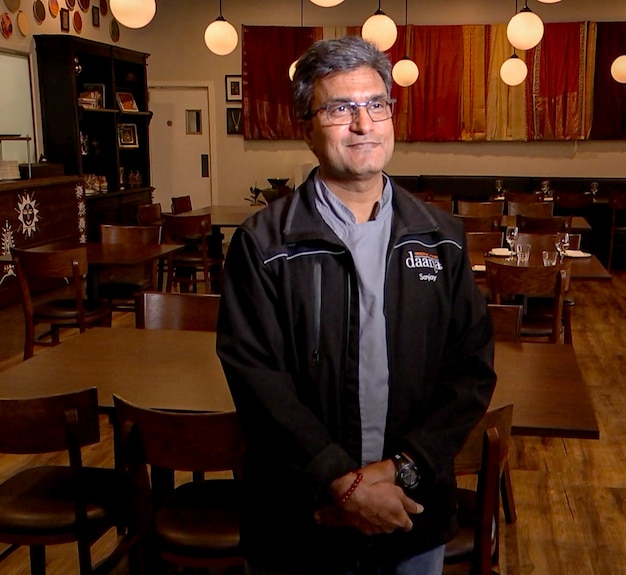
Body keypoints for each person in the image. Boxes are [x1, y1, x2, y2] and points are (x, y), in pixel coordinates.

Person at [217, 35, 496, 575]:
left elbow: (471, 371)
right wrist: (341, 482)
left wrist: (400, 472)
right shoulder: (264, 243)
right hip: (301, 518)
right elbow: (257, 381)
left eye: (376, 105)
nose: (363, 124)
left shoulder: (441, 237)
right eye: (340, 107)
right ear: (306, 127)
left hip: (410, 512)